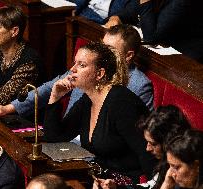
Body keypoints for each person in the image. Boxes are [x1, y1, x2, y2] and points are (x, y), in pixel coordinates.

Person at [44, 41, 155, 184]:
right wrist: (55, 97)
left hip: (125, 182)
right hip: (98, 179)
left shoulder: (121, 102)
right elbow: (55, 136)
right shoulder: (87, 100)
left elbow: (146, 152)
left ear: (100, 74)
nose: (73, 69)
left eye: (82, 65)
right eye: (75, 63)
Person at [0, 24, 153, 119]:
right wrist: (9, 108)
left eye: (109, 49)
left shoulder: (139, 84)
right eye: (102, 46)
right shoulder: (87, 67)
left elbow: (136, 128)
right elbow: (47, 89)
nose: (102, 52)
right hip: (68, 139)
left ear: (128, 55)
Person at [93, 105, 191, 189]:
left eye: (153, 144)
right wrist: (117, 187)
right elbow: (150, 186)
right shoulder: (165, 163)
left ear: (168, 142)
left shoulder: (184, 171)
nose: (147, 148)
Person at [105, 0, 203, 63]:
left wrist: (145, 2)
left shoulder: (182, 2)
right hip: (161, 47)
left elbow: (151, 37)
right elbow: (130, 11)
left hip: (184, 57)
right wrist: (116, 17)